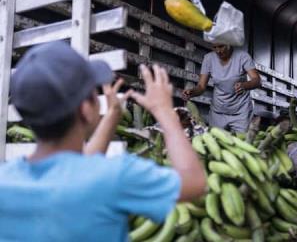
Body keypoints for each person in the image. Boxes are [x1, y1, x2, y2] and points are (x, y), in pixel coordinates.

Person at [0, 41, 206, 241]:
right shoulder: (116, 176)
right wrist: (166, 114)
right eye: (93, 93)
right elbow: (195, 183)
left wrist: (113, 115)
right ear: (85, 109)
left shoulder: (5, 179)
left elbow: (75, 173)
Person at [182, 43, 261, 133]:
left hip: (241, 112)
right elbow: (201, 86)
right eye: (214, 47)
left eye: (221, 46)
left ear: (229, 43)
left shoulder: (243, 57)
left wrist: (244, 85)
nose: (218, 51)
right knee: (215, 141)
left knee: (242, 142)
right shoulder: (209, 59)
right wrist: (192, 92)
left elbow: (257, 81)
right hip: (218, 112)